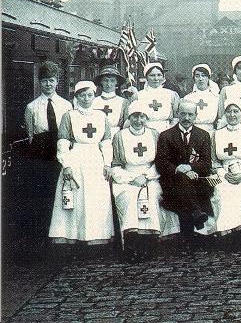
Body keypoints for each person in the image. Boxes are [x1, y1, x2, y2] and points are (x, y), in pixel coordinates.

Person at [110, 100, 180, 260]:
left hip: (150, 175)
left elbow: (160, 161)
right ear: (129, 117)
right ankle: (131, 243)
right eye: (135, 116)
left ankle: (150, 243)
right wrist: (130, 178)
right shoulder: (120, 136)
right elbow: (116, 164)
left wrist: (147, 176)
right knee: (128, 197)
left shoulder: (154, 134)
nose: (138, 120)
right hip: (127, 177)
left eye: (142, 116)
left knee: (154, 195)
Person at [48, 81, 114, 245]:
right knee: (76, 198)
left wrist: (107, 163)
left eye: (89, 95)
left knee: (95, 198)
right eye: (82, 95)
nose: (86, 99)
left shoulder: (101, 116)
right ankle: (71, 235)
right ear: (76, 96)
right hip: (76, 157)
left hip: (96, 160)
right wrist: (66, 164)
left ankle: (96, 236)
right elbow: (63, 141)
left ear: (94, 95)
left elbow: (106, 142)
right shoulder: (69, 116)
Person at [198, 102, 241, 237]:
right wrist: (223, 174)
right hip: (222, 172)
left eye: (236, 111)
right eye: (229, 111)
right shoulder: (216, 134)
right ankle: (227, 232)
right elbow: (214, 160)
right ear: (224, 114)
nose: (232, 115)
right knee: (221, 192)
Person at [24, 61, 73, 235]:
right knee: (42, 188)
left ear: (57, 81)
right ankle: (42, 227)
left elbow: (69, 132)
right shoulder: (32, 107)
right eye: (44, 81)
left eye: (51, 80)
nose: (48, 84)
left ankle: (62, 228)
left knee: (61, 186)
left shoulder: (66, 105)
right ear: (39, 82)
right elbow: (31, 134)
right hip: (41, 149)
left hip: (60, 146)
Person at [155, 100, 213, 236]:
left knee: (186, 186)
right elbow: (161, 163)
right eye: (183, 114)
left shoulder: (203, 135)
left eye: (190, 114)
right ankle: (196, 215)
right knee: (182, 182)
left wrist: (189, 168)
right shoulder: (166, 135)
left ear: (196, 115)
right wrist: (178, 169)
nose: (187, 118)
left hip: (197, 180)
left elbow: (206, 163)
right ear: (177, 114)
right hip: (172, 181)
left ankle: (189, 230)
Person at [135, 63, 180, 132]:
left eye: (159, 75)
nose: (156, 78)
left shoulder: (171, 94)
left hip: (167, 130)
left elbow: (176, 117)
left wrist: (171, 131)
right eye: (152, 75)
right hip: (146, 131)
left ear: (163, 77)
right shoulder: (139, 95)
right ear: (146, 77)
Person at [92, 65, 130, 136]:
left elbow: (126, 125)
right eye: (106, 80)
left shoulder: (124, 102)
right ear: (101, 82)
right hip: (97, 135)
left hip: (116, 135)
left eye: (112, 81)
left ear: (117, 83)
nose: (109, 84)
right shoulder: (93, 101)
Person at [184, 64, 220, 135]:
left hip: (210, 131)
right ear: (194, 78)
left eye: (204, 75)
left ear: (208, 78)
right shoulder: (188, 98)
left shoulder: (216, 97)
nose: (201, 79)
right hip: (192, 132)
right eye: (197, 76)